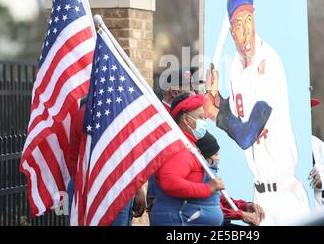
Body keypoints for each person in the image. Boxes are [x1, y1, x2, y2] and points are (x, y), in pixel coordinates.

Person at [204, 0, 309, 224]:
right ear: (231, 30)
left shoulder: (268, 62)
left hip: (285, 196)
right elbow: (236, 115)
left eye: (248, 19)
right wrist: (218, 99)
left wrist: (213, 113)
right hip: (260, 198)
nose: (245, 29)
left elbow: (246, 134)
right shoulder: (235, 67)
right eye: (238, 23)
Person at [149, 92, 225, 226]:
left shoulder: (189, 146)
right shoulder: (179, 149)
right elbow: (170, 182)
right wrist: (207, 189)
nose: (204, 122)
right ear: (185, 119)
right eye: (200, 117)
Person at [67, 97, 146, 226]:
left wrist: (137, 188)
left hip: (110, 188)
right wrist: (137, 189)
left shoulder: (103, 114)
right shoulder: (88, 115)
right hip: (99, 189)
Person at [195, 132, 266, 226]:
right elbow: (212, 210)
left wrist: (246, 206)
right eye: (215, 155)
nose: (219, 158)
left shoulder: (209, 175)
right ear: (205, 158)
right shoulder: (198, 179)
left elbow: (222, 201)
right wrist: (241, 215)